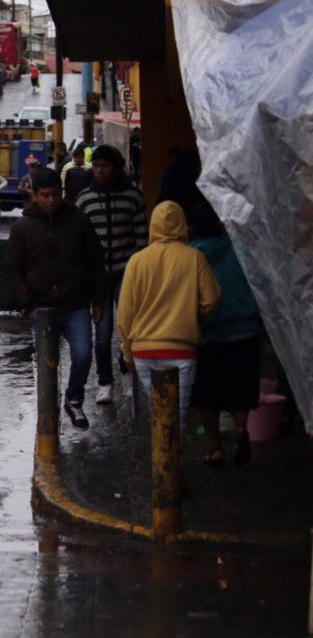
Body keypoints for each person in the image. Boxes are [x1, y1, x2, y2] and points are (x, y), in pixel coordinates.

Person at [6, 167, 107, 430]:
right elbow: (13, 268)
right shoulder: (23, 227)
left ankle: (73, 398)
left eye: (55, 195)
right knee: (47, 363)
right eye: (45, 195)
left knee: (84, 355)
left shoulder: (78, 220)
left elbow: (96, 259)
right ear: (35, 196)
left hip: (76, 305)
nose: (51, 200)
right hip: (42, 308)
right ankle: (47, 414)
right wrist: (27, 303)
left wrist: (98, 298)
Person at [117, 201, 221, 435]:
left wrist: (127, 352)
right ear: (182, 225)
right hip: (182, 350)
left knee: (160, 415)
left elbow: (125, 314)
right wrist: (191, 319)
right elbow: (211, 299)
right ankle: (172, 469)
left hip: (143, 351)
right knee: (178, 418)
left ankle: (162, 469)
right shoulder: (194, 257)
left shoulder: (137, 261)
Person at [188, 199, 260, 466]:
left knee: (206, 395)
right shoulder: (239, 248)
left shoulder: (192, 256)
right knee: (241, 389)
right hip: (245, 329)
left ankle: (215, 448)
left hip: (208, 335)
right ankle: (241, 430)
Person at [75, 144, 147, 404]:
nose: (99, 171)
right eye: (95, 166)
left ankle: (128, 371)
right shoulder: (84, 199)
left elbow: (142, 241)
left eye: (104, 166)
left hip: (128, 275)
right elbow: (79, 243)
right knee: (102, 334)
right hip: (98, 279)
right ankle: (105, 381)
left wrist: (140, 276)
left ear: (115, 168)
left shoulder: (132, 197)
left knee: (130, 329)